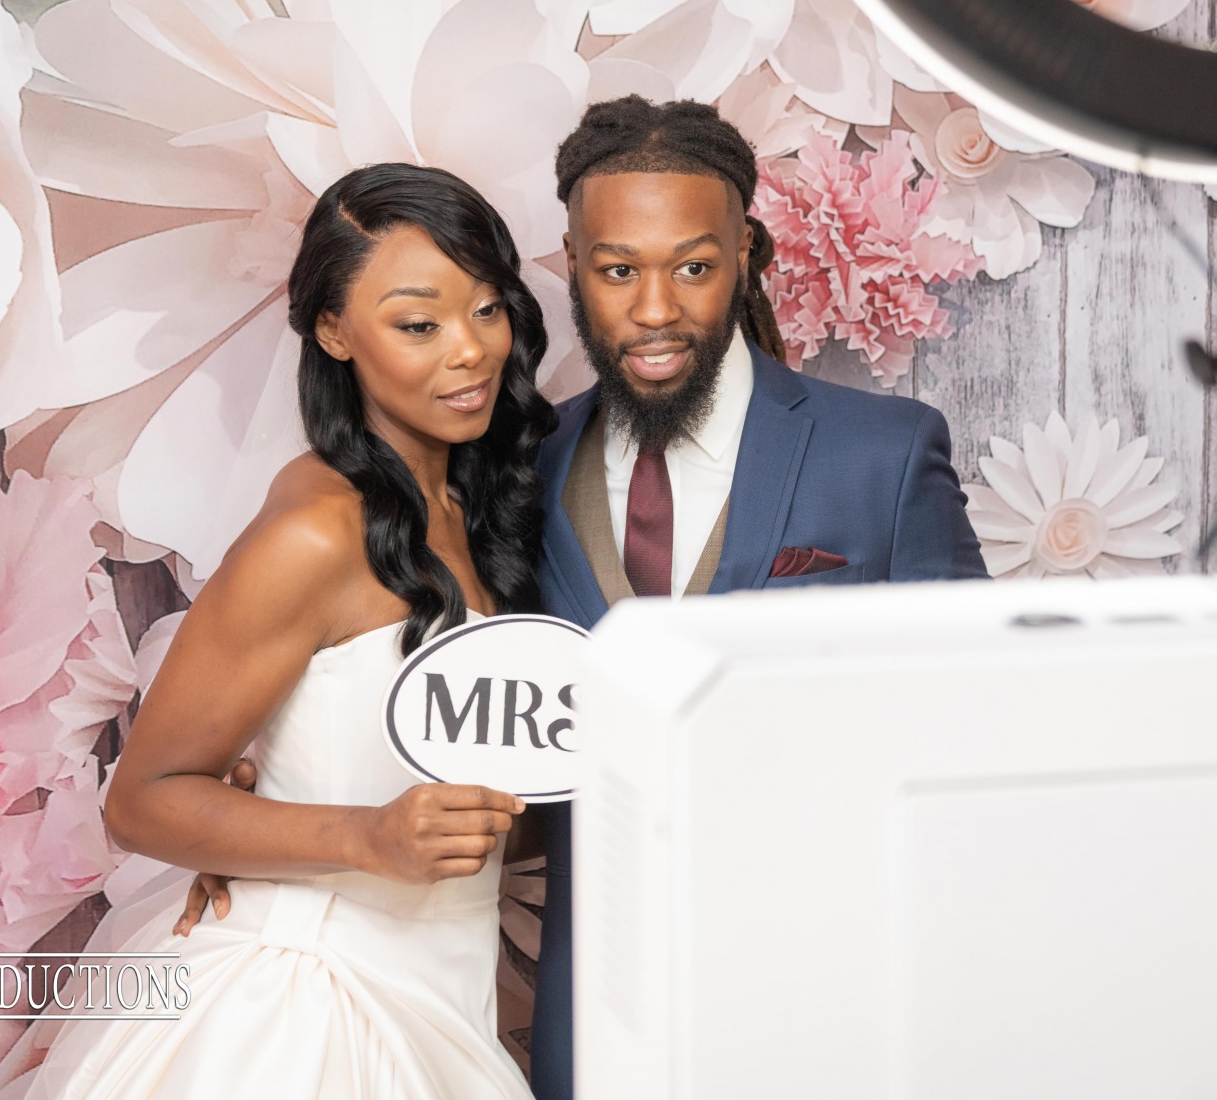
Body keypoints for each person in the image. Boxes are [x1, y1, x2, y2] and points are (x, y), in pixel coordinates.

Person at [177, 97, 989, 1097]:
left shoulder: (886, 453)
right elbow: (506, 738)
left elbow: (976, 737)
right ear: (570, 265)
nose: (654, 308)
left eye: (693, 265)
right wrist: (276, 829)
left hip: (834, 1006)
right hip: (595, 1029)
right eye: (617, 271)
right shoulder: (506, 471)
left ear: (747, 251)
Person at [21, 163, 558, 1100]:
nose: (470, 351)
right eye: (418, 324)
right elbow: (141, 800)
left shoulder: (477, 509)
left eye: (486, 308)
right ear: (335, 332)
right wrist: (366, 838)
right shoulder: (314, 530)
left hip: (434, 1002)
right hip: (305, 1019)